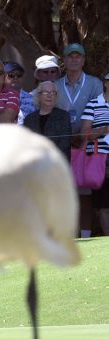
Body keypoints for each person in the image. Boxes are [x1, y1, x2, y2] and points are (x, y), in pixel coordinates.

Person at [55, 43, 103, 238]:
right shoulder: (56, 85)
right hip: (61, 146)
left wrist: (84, 136)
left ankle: (85, 236)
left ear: (83, 60)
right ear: (64, 61)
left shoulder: (94, 84)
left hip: (86, 145)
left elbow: (100, 114)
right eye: (70, 56)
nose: (74, 59)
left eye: (78, 56)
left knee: (84, 194)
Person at [78, 72, 109, 236]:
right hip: (101, 160)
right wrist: (104, 129)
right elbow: (84, 134)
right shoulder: (93, 104)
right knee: (104, 205)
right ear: (105, 83)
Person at [23, 81, 70, 161]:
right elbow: (26, 144)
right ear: (39, 95)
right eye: (46, 92)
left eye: (53, 92)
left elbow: (64, 144)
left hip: (56, 164)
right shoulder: (29, 119)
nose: (49, 95)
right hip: (34, 164)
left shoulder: (63, 116)